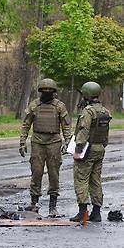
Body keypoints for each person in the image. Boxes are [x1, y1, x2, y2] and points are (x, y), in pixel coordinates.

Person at [19, 78, 71, 216]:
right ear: (40, 91)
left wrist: (68, 142)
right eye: (44, 90)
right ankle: (34, 202)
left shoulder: (59, 106)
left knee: (54, 174)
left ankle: (53, 205)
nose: (47, 91)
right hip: (37, 142)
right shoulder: (34, 105)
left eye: (50, 90)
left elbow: (66, 125)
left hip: (54, 142)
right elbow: (26, 124)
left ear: (54, 91)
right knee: (36, 172)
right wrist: (22, 142)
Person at [70, 81, 111, 223]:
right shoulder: (105, 111)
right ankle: (96, 212)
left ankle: (82, 212)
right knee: (96, 180)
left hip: (87, 149)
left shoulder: (88, 111)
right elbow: (106, 133)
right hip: (100, 149)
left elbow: (84, 131)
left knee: (81, 179)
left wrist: (78, 148)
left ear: (86, 95)